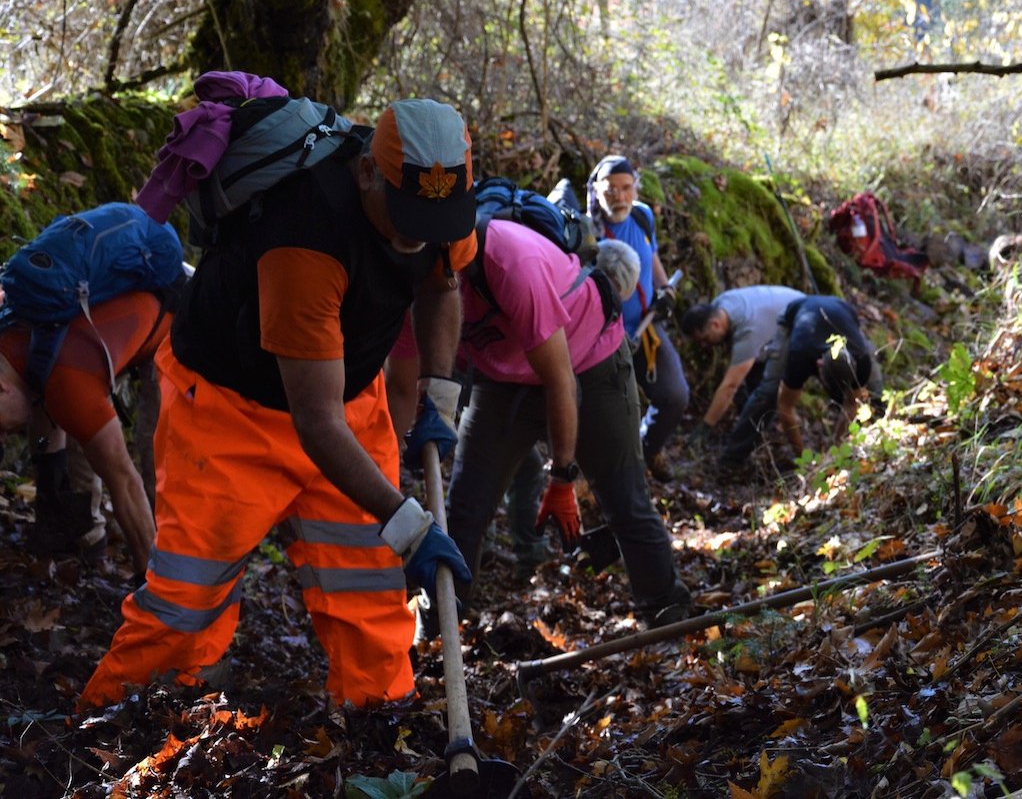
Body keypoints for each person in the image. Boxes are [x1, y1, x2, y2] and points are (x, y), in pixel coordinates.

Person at [80, 99, 476, 709]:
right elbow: (314, 421)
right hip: (228, 414)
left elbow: (442, 282)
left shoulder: (438, 198)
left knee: (372, 595)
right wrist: (408, 524)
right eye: (404, 216)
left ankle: (378, 726)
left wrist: (440, 394)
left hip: (349, 397)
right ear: (369, 172)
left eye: (433, 218)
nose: (415, 234)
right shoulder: (305, 237)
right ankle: (109, 726)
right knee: (185, 606)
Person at [443, 222, 691, 628]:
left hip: (587, 360)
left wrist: (561, 478)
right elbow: (408, 374)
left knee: (623, 496)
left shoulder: (513, 265)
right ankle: (442, 625)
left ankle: (666, 611)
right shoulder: (414, 270)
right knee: (466, 506)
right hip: (502, 381)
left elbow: (562, 383)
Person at [0, 284, 172, 578]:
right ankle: (66, 527)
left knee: (155, 453)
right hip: (102, 320)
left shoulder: (67, 383)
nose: (4, 438)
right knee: (52, 413)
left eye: (0, 430)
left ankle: (161, 571)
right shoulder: (10, 333)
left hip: (174, 318)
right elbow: (45, 420)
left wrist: (152, 591)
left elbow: (124, 481)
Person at [587, 155, 688, 480]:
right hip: (606, 338)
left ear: (635, 188)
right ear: (596, 190)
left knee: (674, 395)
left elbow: (652, 257)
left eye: (626, 188)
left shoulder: (642, 216)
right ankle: (617, 475)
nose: (619, 197)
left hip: (647, 328)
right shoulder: (587, 232)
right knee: (619, 413)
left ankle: (650, 449)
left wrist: (664, 290)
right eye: (611, 190)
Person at [717, 295, 883, 466]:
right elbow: (785, 408)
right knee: (768, 391)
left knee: (875, 391)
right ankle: (731, 458)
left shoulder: (861, 361)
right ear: (818, 365)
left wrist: (835, 452)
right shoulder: (800, 355)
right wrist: (804, 461)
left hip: (842, 310)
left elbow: (852, 405)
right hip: (794, 317)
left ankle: (882, 441)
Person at [679, 284, 805, 451]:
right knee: (753, 381)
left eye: (705, 339)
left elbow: (730, 386)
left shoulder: (748, 330)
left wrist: (705, 427)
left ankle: (743, 449)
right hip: (781, 317)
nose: (704, 346)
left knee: (765, 393)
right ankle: (754, 426)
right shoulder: (721, 303)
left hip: (801, 324)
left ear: (715, 324)